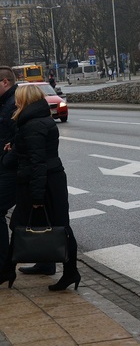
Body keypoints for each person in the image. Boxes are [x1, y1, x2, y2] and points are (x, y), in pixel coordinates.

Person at [0, 84, 80, 290]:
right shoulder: (35, 121)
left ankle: (70, 272)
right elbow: (34, 153)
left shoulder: (32, 125)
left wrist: (36, 197)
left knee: (56, 228)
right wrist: (16, 147)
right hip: (48, 181)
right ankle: (10, 269)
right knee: (32, 225)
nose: (16, 102)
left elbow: (38, 162)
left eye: (19, 99)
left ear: (26, 100)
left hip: (43, 185)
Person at [0, 67, 18, 274]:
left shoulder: (13, 104)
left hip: (12, 170)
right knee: (33, 215)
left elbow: (20, 140)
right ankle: (45, 260)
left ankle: (4, 267)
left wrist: (7, 156)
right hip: (9, 168)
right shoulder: (6, 103)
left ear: (5, 82)